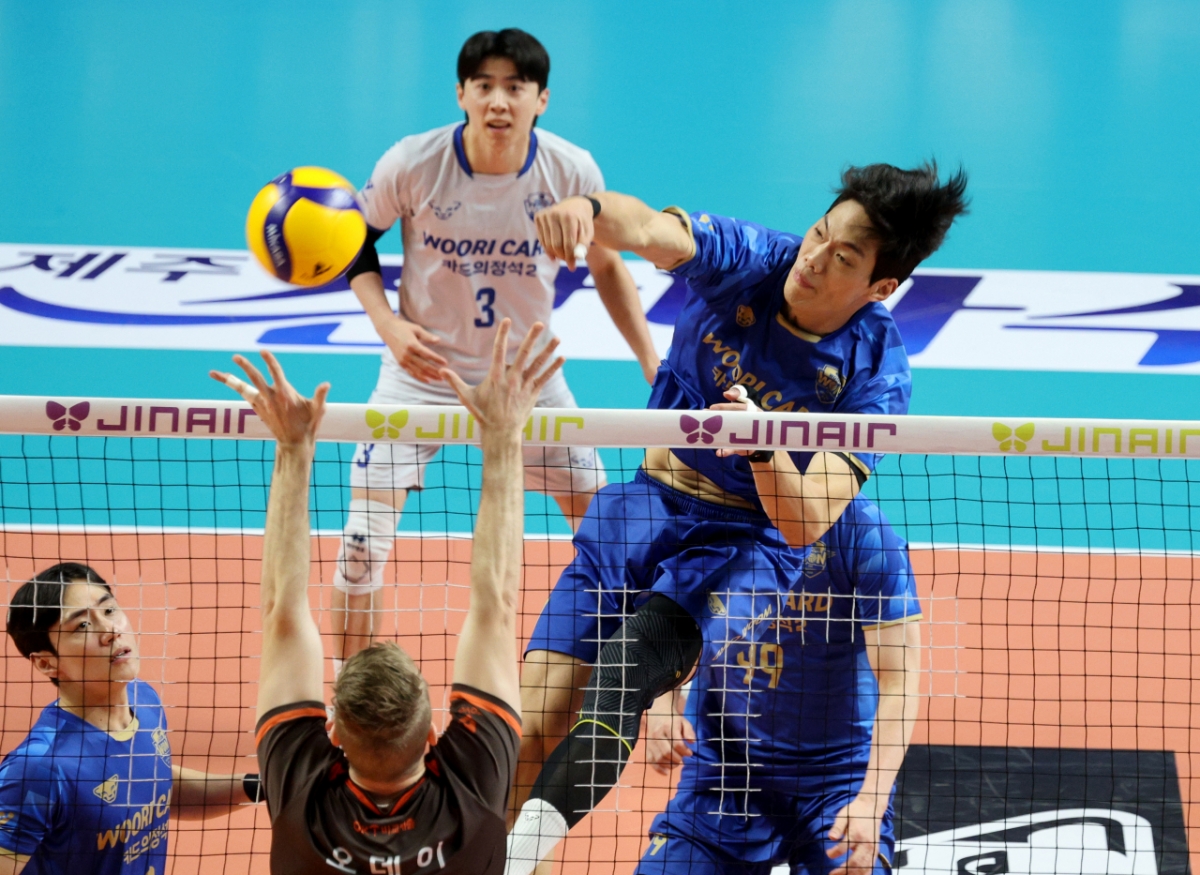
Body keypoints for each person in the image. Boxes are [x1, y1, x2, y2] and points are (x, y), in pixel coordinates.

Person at [506, 162, 967, 875]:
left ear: (881, 287)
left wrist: (762, 446)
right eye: (820, 233)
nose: (814, 258)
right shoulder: (753, 260)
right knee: (535, 723)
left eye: (844, 257)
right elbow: (649, 229)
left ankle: (510, 859)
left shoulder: (875, 374)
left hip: (738, 547)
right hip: (641, 508)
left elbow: (806, 522)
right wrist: (590, 210)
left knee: (620, 679)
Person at [332, 27, 658, 673]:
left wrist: (653, 363)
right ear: (461, 93)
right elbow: (354, 240)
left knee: (610, 535)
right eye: (484, 86)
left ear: (542, 99)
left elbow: (608, 266)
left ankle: (630, 680)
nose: (499, 101)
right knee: (360, 548)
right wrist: (388, 325)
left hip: (526, 379)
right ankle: (350, 690)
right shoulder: (412, 163)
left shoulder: (571, 172)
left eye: (515, 87)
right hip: (419, 376)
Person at [210, 318, 563, 875]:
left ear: (332, 733)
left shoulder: (303, 804)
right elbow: (494, 603)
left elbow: (282, 615)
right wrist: (503, 436)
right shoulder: (471, 794)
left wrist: (293, 447)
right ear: (431, 735)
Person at [635, 499, 922, 875]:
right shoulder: (710, 512)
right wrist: (660, 703)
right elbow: (669, 623)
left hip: (836, 778)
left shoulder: (862, 530)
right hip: (725, 771)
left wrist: (871, 801)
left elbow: (900, 679)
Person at [0, 563, 261, 875]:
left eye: (109, 610)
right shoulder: (38, 769)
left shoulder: (144, 699)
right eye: (82, 626)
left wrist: (260, 786)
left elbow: (149, 785)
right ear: (46, 663)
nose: (111, 631)